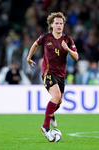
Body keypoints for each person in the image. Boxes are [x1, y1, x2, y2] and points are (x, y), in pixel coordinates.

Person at [27, 12, 78, 140]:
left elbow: (76, 57)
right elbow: (35, 44)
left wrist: (68, 49)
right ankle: (45, 127)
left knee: (59, 101)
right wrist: (29, 58)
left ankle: (51, 115)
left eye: (61, 23)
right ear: (51, 25)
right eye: (57, 23)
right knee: (55, 96)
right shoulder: (45, 37)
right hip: (48, 72)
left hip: (61, 75)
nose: (59, 26)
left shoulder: (68, 40)